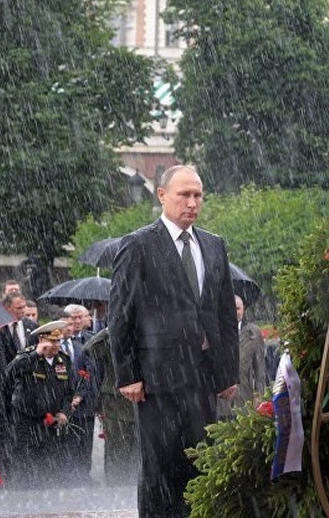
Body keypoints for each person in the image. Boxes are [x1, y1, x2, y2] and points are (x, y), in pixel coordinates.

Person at [109, 164, 239, 518]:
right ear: (162, 195)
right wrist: (127, 374)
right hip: (155, 380)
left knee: (201, 463)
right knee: (159, 471)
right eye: (184, 194)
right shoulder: (138, 245)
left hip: (202, 378)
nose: (192, 203)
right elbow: (121, 313)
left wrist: (228, 372)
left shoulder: (214, 246)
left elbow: (225, 314)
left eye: (197, 195)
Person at [5, 320, 76, 489]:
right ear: (42, 340)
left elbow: (69, 391)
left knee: (48, 466)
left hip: (49, 421)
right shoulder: (28, 356)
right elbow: (10, 372)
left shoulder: (63, 360)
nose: (56, 345)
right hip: (25, 420)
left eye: (58, 341)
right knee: (23, 464)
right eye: (52, 341)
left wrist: (64, 412)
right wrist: (36, 354)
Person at [82, 329, 138, 483]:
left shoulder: (144, 333)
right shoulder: (111, 338)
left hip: (141, 401)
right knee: (118, 451)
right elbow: (89, 349)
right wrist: (110, 328)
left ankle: (136, 487)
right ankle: (116, 488)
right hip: (116, 405)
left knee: (139, 451)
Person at [217, 295, 269, 419]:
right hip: (221, 403)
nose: (234, 312)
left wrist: (260, 397)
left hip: (244, 401)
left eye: (237, 308)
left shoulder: (254, 333)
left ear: (243, 309)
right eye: (230, 308)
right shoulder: (216, 331)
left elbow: (260, 370)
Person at [60, 305, 95, 482]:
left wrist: (80, 395)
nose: (73, 324)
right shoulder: (53, 345)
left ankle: (84, 477)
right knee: (67, 445)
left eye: (79, 318)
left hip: (84, 403)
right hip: (62, 404)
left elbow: (91, 371)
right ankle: (67, 478)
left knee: (85, 443)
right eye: (69, 321)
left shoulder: (83, 345)